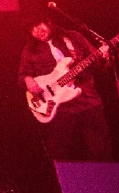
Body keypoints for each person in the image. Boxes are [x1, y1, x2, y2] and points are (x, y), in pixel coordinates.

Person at [18, 13, 113, 161]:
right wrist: (28, 80)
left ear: (48, 22)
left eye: (38, 25)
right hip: (59, 109)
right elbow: (22, 76)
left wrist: (104, 58)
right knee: (63, 155)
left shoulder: (73, 37)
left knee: (100, 149)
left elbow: (98, 66)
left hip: (87, 100)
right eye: (32, 29)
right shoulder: (30, 50)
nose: (37, 30)